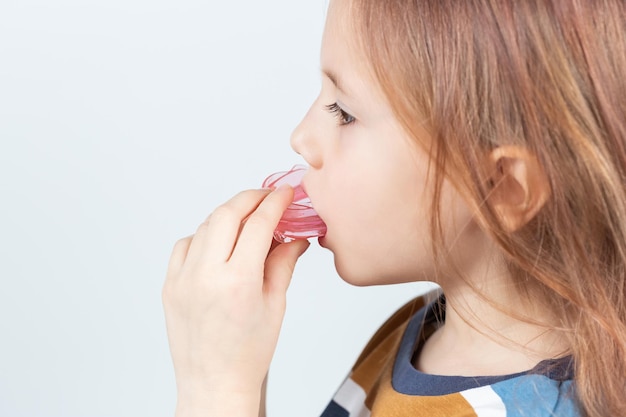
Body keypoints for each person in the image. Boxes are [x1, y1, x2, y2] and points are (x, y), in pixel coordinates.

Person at [162, 0, 626, 416]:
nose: (301, 139)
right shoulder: (424, 330)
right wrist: (244, 373)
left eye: (344, 112)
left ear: (501, 188)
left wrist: (214, 391)